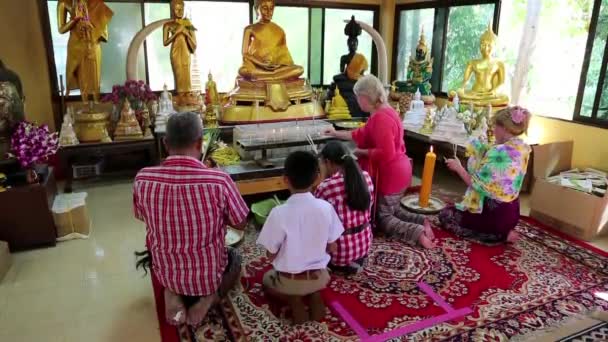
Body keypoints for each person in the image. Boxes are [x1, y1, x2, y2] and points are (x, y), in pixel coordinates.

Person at [133, 112, 249, 327]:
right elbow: (241, 223)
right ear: (200, 143)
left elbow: (141, 215)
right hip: (208, 276)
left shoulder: (143, 178)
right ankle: (208, 299)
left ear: (166, 143)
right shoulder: (219, 180)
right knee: (235, 257)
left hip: (167, 271)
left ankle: (172, 292)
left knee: (160, 251)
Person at [325, 74, 435, 249]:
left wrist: (362, 152)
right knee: (392, 209)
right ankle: (422, 220)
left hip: (391, 172)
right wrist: (335, 133)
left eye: (357, 97)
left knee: (383, 218)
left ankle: (417, 233)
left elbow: (386, 153)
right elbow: (360, 134)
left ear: (364, 97)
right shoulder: (384, 111)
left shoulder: (381, 118)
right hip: (400, 170)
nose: (357, 101)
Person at [257, 151, 344, 323]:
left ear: (286, 180)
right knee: (313, 280)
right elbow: (333, 246)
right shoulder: (326, 208)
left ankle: (293, 299)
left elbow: (270, 255)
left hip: (289, 281)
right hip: (320, 277)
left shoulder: (278, 213)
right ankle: (313, 293)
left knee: (267, 280)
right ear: (317, 178)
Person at [439, 106, 532, 244]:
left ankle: (497, 236)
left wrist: (459, 168)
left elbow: (476, 184)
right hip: (512, 213)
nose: (493, 130)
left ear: (505, 128)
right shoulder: (523, 147)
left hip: (494, 214)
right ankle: (501, 232)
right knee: (455, 209)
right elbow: (493, 175)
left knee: (445, 215)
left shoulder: (499, 152)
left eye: (495, 127)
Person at [314, 141, 374, 274]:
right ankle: (353, 263)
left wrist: (323, 177)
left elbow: (315, 218)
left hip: (338, 254)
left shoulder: (326, 186)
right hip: (363, 247)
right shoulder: (366, 177)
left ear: (328, 162)